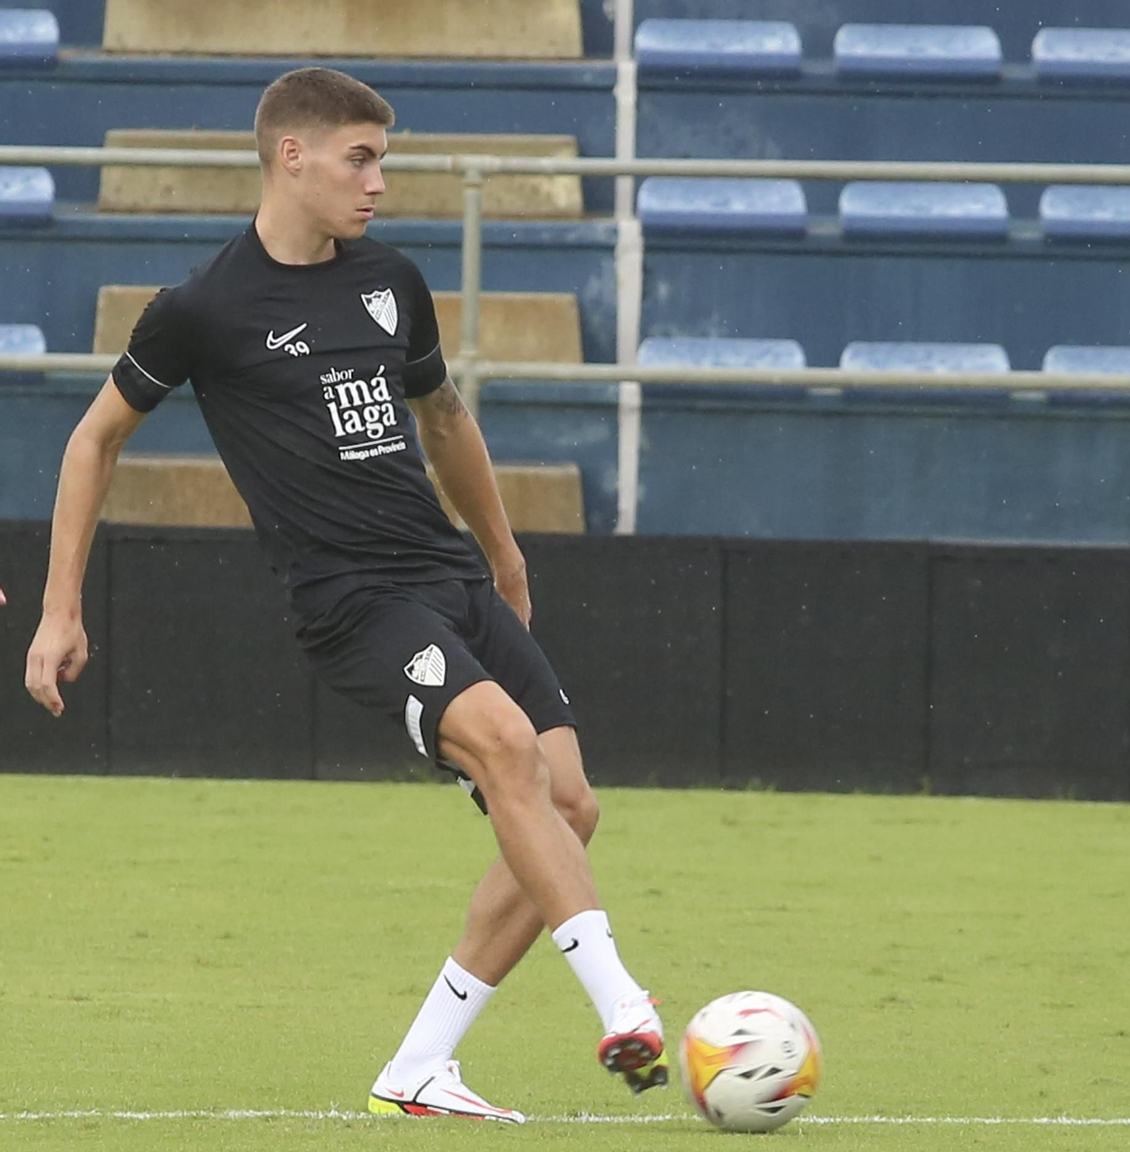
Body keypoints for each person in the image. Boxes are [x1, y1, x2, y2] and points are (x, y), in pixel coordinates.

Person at [23, 67, 668, 1121]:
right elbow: (93, 440)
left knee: (569, 805)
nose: (380, 181)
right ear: (293, 156)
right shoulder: (203, 308)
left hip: (447, 575)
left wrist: (502, 556)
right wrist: (60, 608)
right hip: (351, 602)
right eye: (361, 159)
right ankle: (623, 1006)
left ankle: (419, 1068)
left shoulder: (391, 280)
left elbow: (445, 419)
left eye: (383, 159)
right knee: (505, 749)